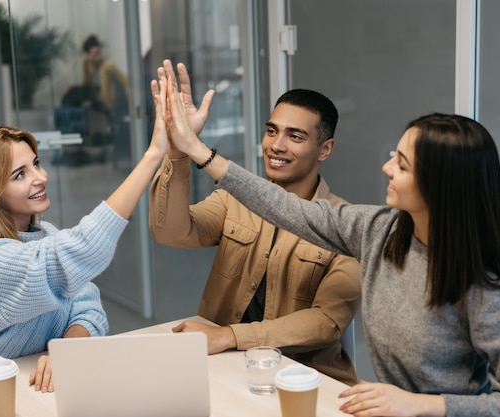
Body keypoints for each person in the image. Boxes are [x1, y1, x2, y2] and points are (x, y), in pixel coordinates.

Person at [160, 73, 500, 416]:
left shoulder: (482, 288)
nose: (386, 168)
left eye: (403, 165)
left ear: (441, 185)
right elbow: (282, 207)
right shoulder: (377, 231)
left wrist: (421, 404)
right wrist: (194, 150)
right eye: (395, 156)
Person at [0, 78, 170, 393]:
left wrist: (64, 349)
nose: (40, 178)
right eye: (20, 174)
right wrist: (153, 155)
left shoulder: (45, 234)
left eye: (36, 164)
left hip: (35, 388)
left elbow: (89, 309)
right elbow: (74, 257)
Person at [149, 60, 361, 385]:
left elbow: (326, 322)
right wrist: (178, 152)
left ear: (325, 149)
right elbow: (170, 231)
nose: (276, 145)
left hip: (306, 380)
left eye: (295, 136)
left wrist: (229, 336)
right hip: (226, 368)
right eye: (272, 130)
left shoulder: (344, 225)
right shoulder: (236, 199)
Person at [81, 34, 130, 166]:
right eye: (94, 54)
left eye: (99, 53)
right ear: (87, 54)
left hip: (109, 104)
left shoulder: (107, 65)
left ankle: (113, 156)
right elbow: (86, 84)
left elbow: (124, 80)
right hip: (97, 103)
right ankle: (99, 150)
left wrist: (129, 98)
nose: (97, 56)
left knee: (113, 129)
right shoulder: (86, 66)